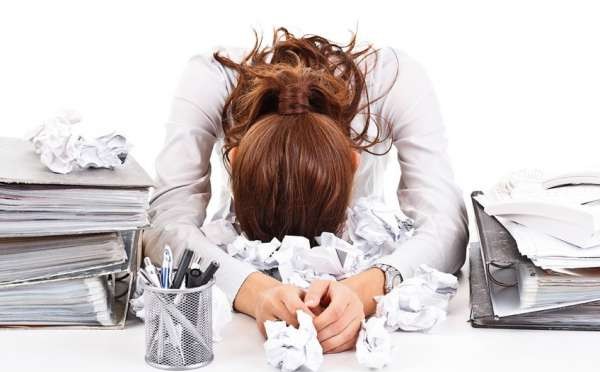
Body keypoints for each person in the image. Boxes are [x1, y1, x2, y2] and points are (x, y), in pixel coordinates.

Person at [143, 28, 468, 353]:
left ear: (353, 163)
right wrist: (255, 290)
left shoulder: (393, 81)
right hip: (246, 258)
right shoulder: (212, 79)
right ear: (236, 157)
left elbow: (448, 226)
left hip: (352, 262)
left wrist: (364, 288)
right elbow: (165, 225)